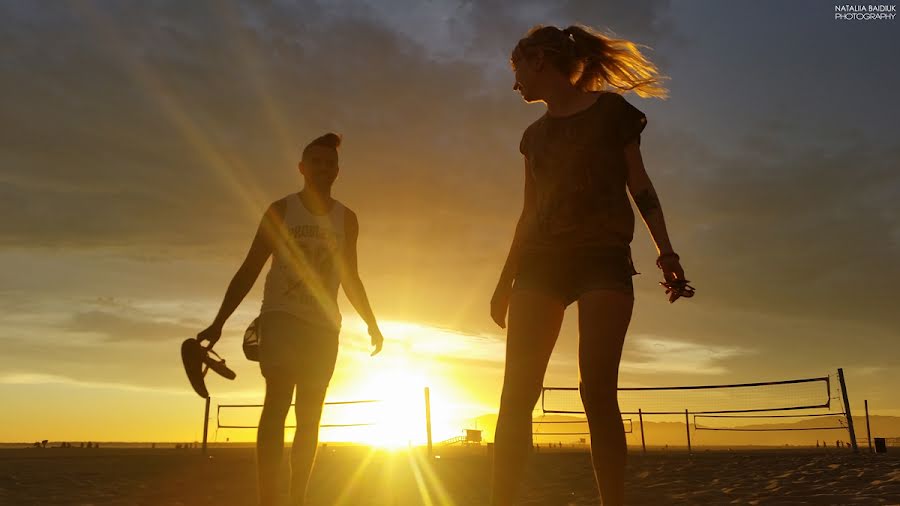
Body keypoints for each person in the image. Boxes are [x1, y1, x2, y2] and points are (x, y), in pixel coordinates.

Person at [489, 25, 693, 506]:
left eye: (516, 67)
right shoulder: (532, 137)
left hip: (603, 258)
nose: (514, 81)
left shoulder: (611, 114)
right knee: (516, 391)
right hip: (541, 263)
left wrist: (666, 252)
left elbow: (639, 186)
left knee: (597, 391)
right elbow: (527, 214)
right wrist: (503, 283)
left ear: (539, 60)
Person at [198, 132, 385, 506]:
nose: (323, 168)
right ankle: (269, 496)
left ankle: (298, 496)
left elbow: (351, 276)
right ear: (302, 168)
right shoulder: (281, 210)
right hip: (281, 317)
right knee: (277, 400)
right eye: (315, 162)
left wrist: (371, 322)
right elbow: (251, 266)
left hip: (325, 325)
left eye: (329, 163)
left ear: (337, 171)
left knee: (310, 414)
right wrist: (218, 323)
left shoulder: (346, 219)